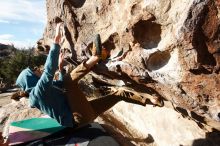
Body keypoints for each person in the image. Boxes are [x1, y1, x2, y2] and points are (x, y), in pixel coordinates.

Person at [15, 23, 163, 128]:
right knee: (68, 81)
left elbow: (60, 86)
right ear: (30, 78)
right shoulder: (36, 94)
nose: (37, 69)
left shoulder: (41, 91)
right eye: (33, 70)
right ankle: (95, 57)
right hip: (78, 117)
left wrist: (60, 68)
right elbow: (49, 73)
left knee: (119, 94)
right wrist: (56, 42)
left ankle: (151, 101)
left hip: (85, 114)